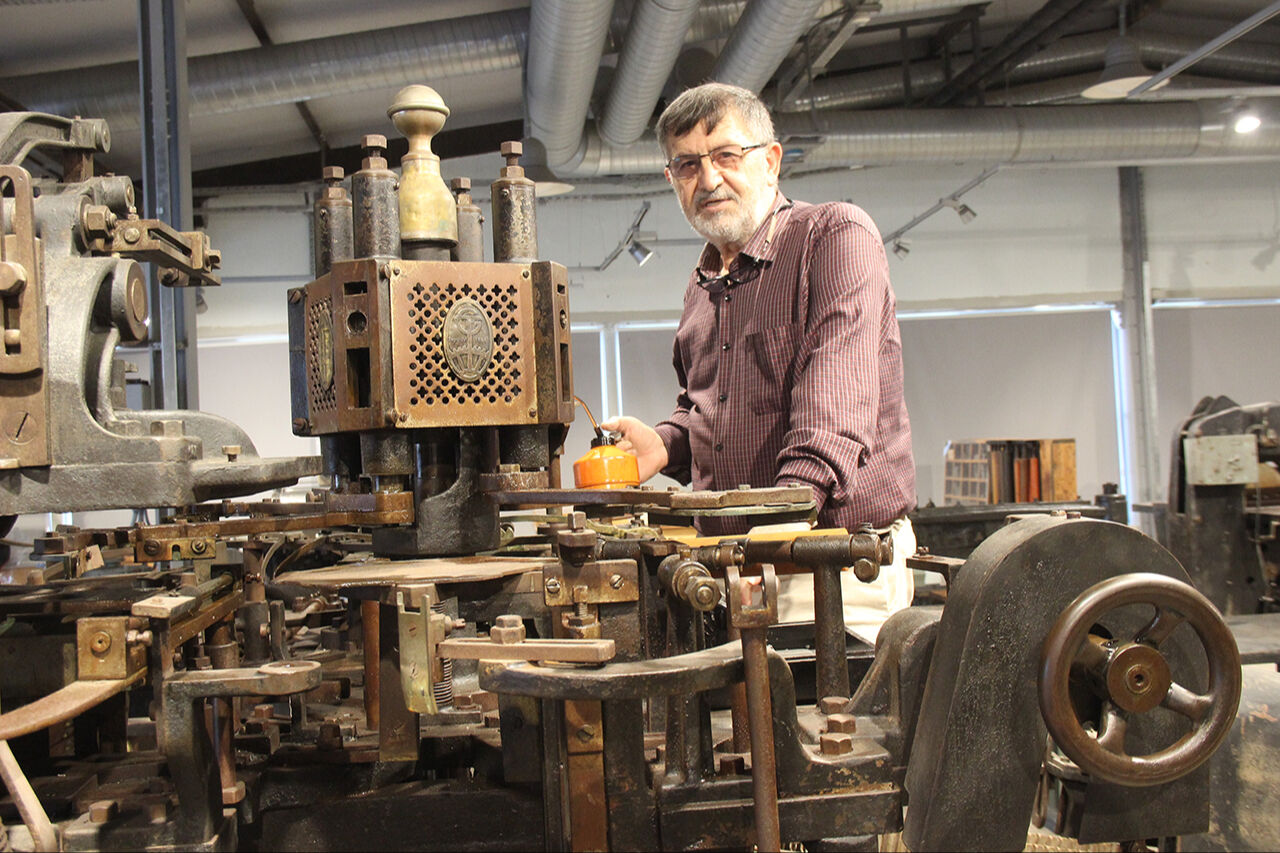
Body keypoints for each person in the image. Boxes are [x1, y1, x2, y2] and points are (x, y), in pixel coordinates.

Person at [600, 82, 916, 644]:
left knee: (821, 727)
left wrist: (759, 540)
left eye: (726, 155)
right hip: (733, 574)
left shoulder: (833, 237)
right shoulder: (701, 288)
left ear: (770, 161)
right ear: (672, 181)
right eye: (688, 165)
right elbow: (708, 408)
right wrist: (667, 444)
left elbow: (832, 420)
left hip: (832, 570)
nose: (710, 178)